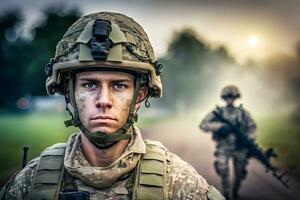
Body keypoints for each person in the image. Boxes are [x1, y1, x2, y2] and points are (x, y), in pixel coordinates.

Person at [0, 12, 224, 200]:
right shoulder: (32, 182)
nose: (104, 100)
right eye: (89, 85)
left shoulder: (176, 181)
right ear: (70, 93)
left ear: (139, 96)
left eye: (118, 85)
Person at [199, 85, 257, 200]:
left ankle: (235, 192)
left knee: (240, 173)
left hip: (240, 148)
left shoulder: (242, 113)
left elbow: (252, 127)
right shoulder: (218, 112)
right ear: (224, 98)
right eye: (227, 96)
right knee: (223, 169)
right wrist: (219, 127)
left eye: (232, 96)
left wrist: (249, 138)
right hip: (223, 148)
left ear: (236, 97)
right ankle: (227, 194)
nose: (230, 99)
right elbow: (203, 125)